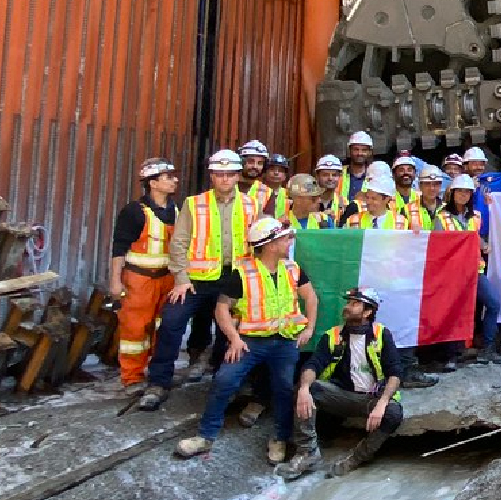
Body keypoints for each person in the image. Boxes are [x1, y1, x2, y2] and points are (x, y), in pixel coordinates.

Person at [175, 218, 317, 463]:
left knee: (283, 388)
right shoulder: (241, 273)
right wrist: (234, 339)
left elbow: (311, 299)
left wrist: (309, 329)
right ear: (270, 244)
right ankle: (205, 436)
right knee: (224, 379)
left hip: (284, 341)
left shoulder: (293, 268)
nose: (289, 241)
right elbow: (221, 310)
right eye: (284, 238)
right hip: (250, 342)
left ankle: (280, 438)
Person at [139, 150, 260, 411]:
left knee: (230, 330)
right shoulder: (195, 204)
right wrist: (181, 279)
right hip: (196, 280)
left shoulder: (251, 205)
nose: (225, 179)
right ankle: (158, 383)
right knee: (172, 322)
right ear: (212, 176)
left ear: (238, 176)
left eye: (230, 174)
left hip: (234, 278)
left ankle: (220, 380)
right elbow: (179, 242)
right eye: (219, 174)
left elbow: (256, 245)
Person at [278, 288, 404, 480]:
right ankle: (307, 453)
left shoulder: (381, 334)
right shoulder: (333, 335)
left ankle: (355, 459)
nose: (347, 307)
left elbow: (395, 372)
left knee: (394, 413)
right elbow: (314, 364)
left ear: (368, 311)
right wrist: (304, 389)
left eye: (354, 304)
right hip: (340, 395)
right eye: (348, 302)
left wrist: (382, 403)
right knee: (307, 388)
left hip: (371, 399)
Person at [109, 158, 180, 395]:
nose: (174, 180)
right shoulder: (134, 212)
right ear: (153, 182)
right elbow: (119, 247)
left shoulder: (177, 211)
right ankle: (132, 377)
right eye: (168, 177)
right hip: (139, 280)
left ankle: (156, 375)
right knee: (135, 330)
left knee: (163, 328)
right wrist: (115, 281)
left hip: (167, 279)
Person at [438, 174, 501, 367]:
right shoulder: (441, 218)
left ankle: (487, 348)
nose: (463, 195)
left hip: (475, 271)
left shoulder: (476, 216)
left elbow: (477, 237)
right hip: (453, 274)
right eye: (460, 191)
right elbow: (439, 246)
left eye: (467, 192)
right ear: (452, 193)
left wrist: (484, 245)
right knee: (455, 312)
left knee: (493, 304)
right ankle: (451, 355)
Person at [343, 174, 411, 229]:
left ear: (386, 199)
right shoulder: (353, 220)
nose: (368, 202)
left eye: (373, 198)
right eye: (367, 197)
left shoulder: (401, 222)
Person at [238, 140, 273, 210]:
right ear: (241, 162)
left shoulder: (268, 193)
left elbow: (268, 219)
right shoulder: (227, 186)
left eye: (260, 163)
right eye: (251, 161)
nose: (255, 166)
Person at [340, 131, 375, 201]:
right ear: (349, 151)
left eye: (364, 150)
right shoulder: (339, 173)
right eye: (356, 149)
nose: (360, 153)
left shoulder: (375, 174)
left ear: (370, 152)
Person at [313, 155, 347, 219]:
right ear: (317, 176)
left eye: (334, 175)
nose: (330, 178)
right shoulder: (307, 202)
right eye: (325, 175)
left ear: (340, 177)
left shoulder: (345, 204)